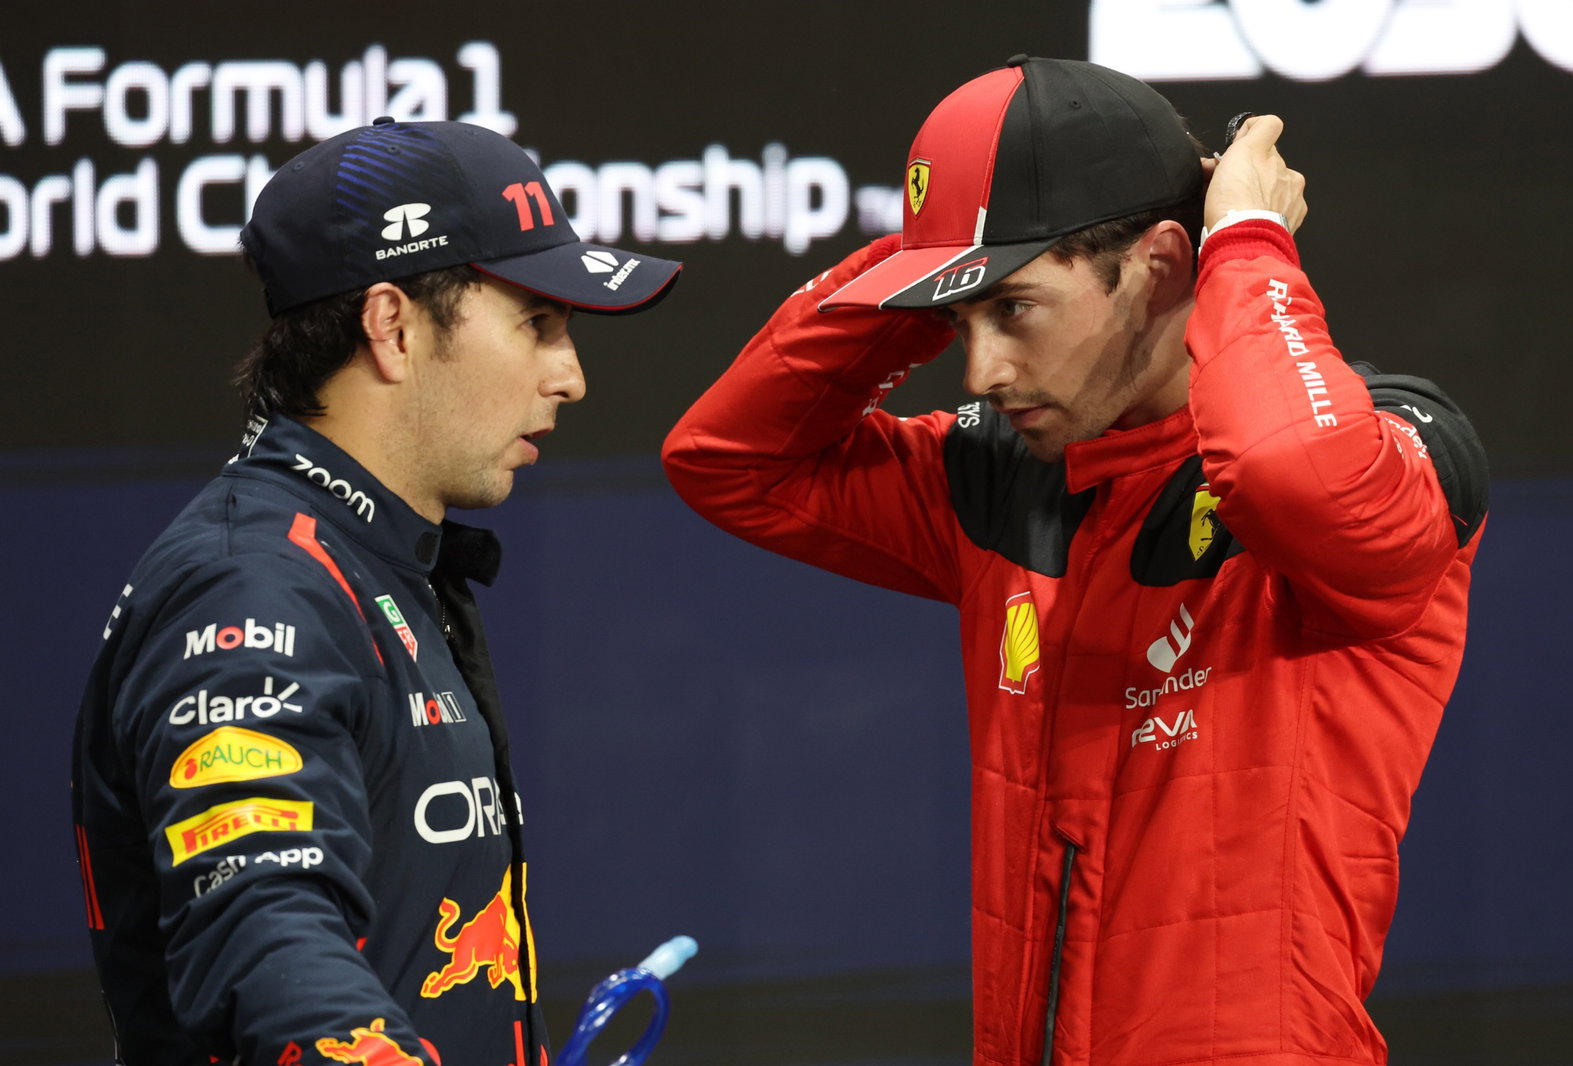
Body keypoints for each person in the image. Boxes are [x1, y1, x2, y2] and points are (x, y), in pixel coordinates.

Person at [662, 56, 1486, 1066]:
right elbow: (729, 462)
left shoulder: (1393, 451)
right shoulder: (998, 476)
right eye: (956, 320)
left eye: (1012, 309)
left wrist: (1249, 243)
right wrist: (933, 263)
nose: (978, 371)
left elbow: (1284, 465)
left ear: (1164, 264)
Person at [71, 116, 680, 1066]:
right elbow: (265, 931)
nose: (571, 376)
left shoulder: (375, 559)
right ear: (392, 327)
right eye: (539, 323)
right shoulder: (254, 586)